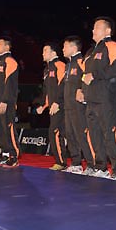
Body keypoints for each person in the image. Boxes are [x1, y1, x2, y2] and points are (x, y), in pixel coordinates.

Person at [78, 16, 116, 180]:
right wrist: (81, 89)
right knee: (94, 134)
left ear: (107, 31)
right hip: (90, 99)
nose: (93, 30)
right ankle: (101, 167)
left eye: (97, 27)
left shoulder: (113, 47)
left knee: (109, 134)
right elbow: (84, 75)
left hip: (107, 99)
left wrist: (96, 74)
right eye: (93, 28)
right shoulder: (90, 52)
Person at [62, 35, 96, 174]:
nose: (63, 49)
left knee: (82, 134)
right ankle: (76, 163)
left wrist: (82, 90)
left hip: (79, 106)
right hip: (68, 106)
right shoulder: (68, 65)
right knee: (70, 134)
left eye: (65, 46)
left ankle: (91, 164)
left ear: (73, 47)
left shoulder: (82, 62)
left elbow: (88, 77)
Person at [0, 36, 20, 167]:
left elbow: (10, 84)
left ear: (7, 47)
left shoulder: (10, 61)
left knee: (8, 129)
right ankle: (3, 155)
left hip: (5, 103)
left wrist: (5, 100)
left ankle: (13, 156)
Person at [36, 42, 68, 171]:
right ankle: (61, 160)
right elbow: (47, 91)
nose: (42, 53)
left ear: (53, 53)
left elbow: (63, 85)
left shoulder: (60, 65)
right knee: (56, 132)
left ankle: (61, 162)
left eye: (45, 50)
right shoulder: (47, 69)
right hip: (52, 107)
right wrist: (43, 105)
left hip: (61, 106)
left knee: (55, 132)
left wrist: (58, 102)